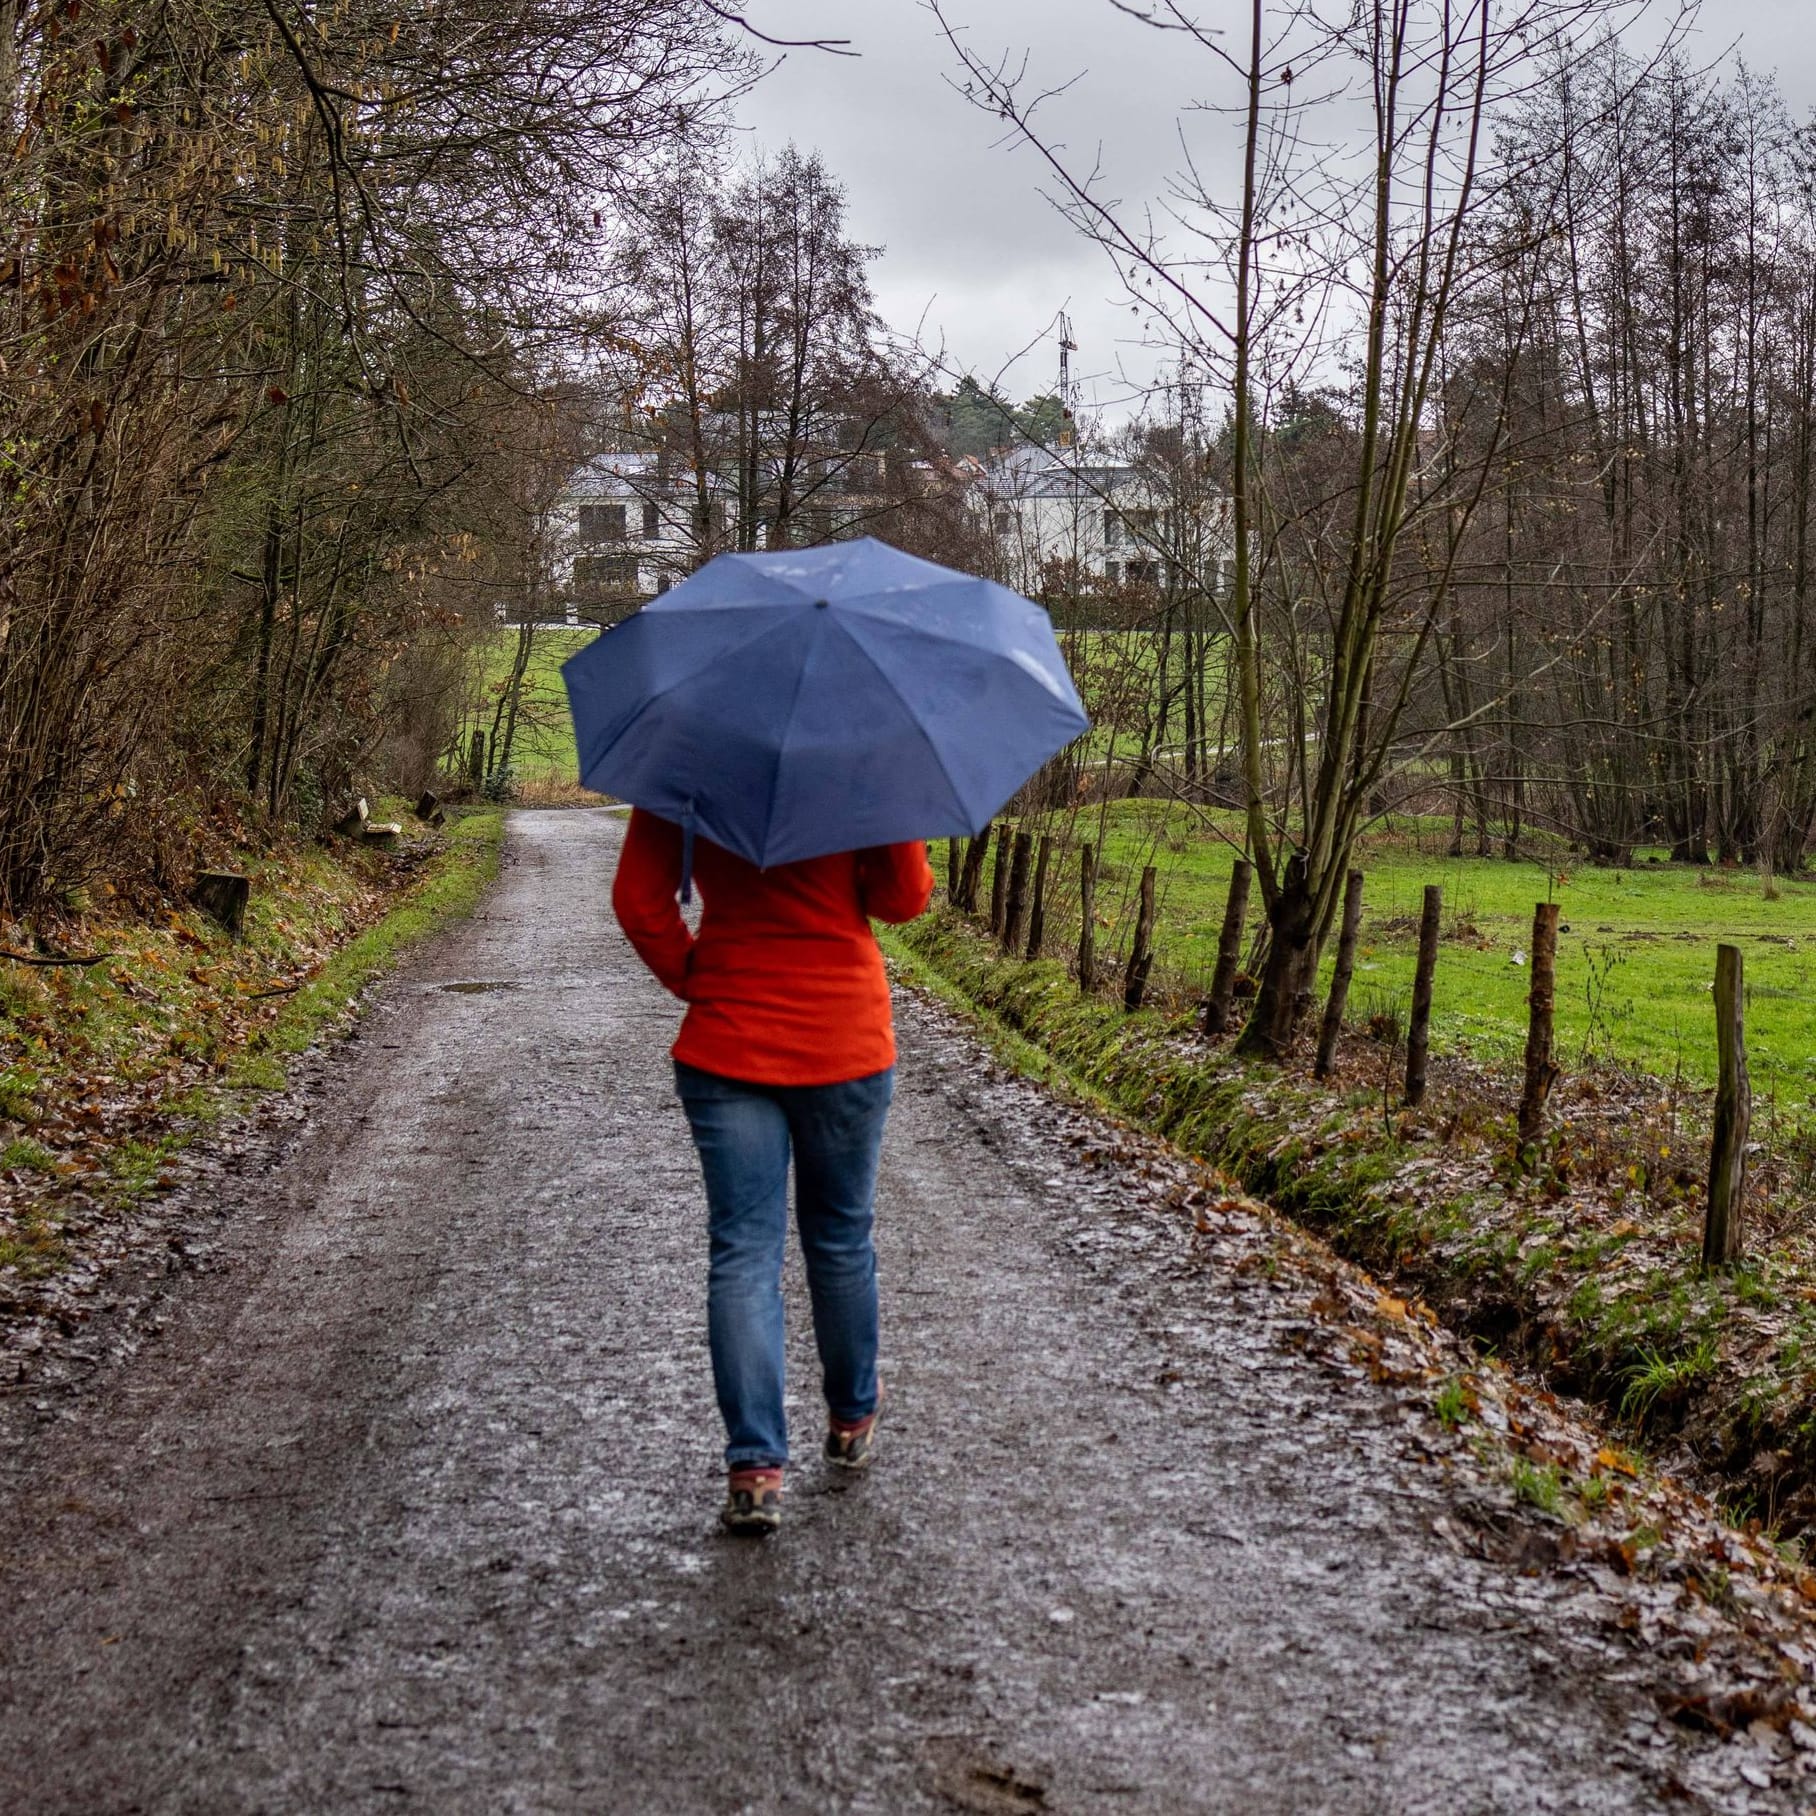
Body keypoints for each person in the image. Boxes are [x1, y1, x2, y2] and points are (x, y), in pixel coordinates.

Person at [611, 807, 935, 1535]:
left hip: (729, 1040)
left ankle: (755, 1469)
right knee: (841, 1239)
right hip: (845, 1040)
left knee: (744, 1253)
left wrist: (694, 974)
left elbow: (637, 898)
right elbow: (903, 899)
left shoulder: (691, 759)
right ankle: (851, 1421)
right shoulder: (860, 762)